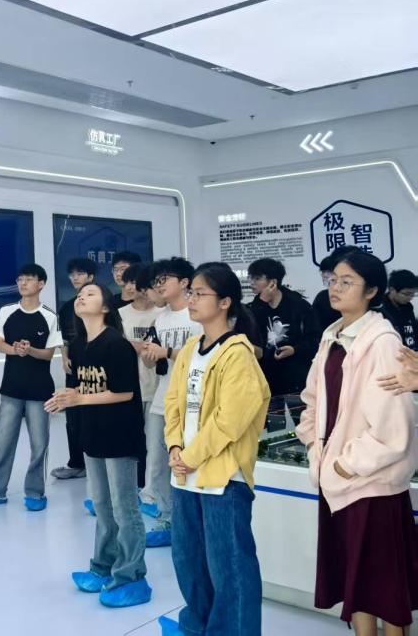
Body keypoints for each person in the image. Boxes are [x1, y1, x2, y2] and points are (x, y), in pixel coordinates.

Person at [297, 250, 418, 636]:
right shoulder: (331, 336)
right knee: (357, 584)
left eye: (347, 282)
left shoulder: (382, 343)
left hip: (371, 486)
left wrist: (346, 464)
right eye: (332, 279)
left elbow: (394, 428)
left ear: (372, 291)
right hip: (336, 482)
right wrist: (314, 448)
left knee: (386, 589)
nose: (335, 287)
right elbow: (312, 401)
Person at [158, 262, 270, 636]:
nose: (191, 299)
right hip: (185, 475)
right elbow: (173, 403)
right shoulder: (191, 348)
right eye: (190, 292)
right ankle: (198, 626)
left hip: (223, 479)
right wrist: (175, 446)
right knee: (189, 561)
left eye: (200, 293)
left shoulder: (238, 354)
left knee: (230, 568)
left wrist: (188, 457)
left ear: (225, 302)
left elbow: (229, 421)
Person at [46, 282, 151, 608]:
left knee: (125, 508)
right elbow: (86, 389)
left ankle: (132, 576)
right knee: (103, 506)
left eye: (90, 294)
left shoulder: (116, 344)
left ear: (106, 307)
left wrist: (79, 398)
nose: (81, 297)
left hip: (120, 436)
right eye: (80, 295)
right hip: (93, 435)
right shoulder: (79, 346)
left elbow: (124, 392)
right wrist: (69, 397)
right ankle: (103, 566)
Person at [0, 263, 63, 511]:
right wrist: (15, 350)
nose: (23, 283)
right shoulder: (7, 311)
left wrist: (30, 350)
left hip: (39, 391)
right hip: (11, 388)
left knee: (39, 444)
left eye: (29, 279)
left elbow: (48, 354)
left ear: (41, 284)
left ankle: (35, 493)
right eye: (20, 279)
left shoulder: (50, 316)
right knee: (2, 442)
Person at [139, 257, 203, 547]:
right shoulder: (160, 318)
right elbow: (152, 362)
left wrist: (165, 351)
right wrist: (148, 355)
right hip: (162, 397)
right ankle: (167, 519)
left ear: (184, 282)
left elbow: (205, 354)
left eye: (164, 279)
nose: (158, 285)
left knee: (188, 461)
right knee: (156, 462)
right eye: (156, 281)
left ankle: (192, 522)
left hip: (193, 399)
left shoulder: (197, 314)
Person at [246, 258, 320, 428]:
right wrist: (262, 303)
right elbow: (249, 338)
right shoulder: (254, 308)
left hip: (296, 378)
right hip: (267, 379)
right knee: (273, 428)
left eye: (257, 278)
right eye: (251, 278)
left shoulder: (299, 305)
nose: (251, 283)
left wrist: (295, 349)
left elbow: (315, 339)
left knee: (304, 424)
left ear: (273, 282)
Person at [119, 264, 163, 507]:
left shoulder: (162, 313)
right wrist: (136, 346)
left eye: (132, 282)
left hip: (157, 385)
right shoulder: (120, 314)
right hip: (129, 386)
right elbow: (116, 346)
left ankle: (152, 490)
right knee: (131, 439)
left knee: (155, 443)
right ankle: (133, 486)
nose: (128, 287)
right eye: (125, 282)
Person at [51, 258, 97, 480]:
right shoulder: (67, 306)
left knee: (96, 413)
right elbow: (64, 337)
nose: (75, 278)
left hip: (97, 364)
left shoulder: (103, 302)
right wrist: (64, 357)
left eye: (80, 273)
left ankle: (98, 461)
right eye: (72, 274)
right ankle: (76, 462)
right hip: (74, 364)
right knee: (73, 415)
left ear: (91, 276)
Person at [382, 269, 418, 350]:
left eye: (413, 294)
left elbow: (413, 332)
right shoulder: (381, 310)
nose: (410, 298)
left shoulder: (408, 307)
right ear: (392, 290)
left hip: (412, 351)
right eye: (406, 294)